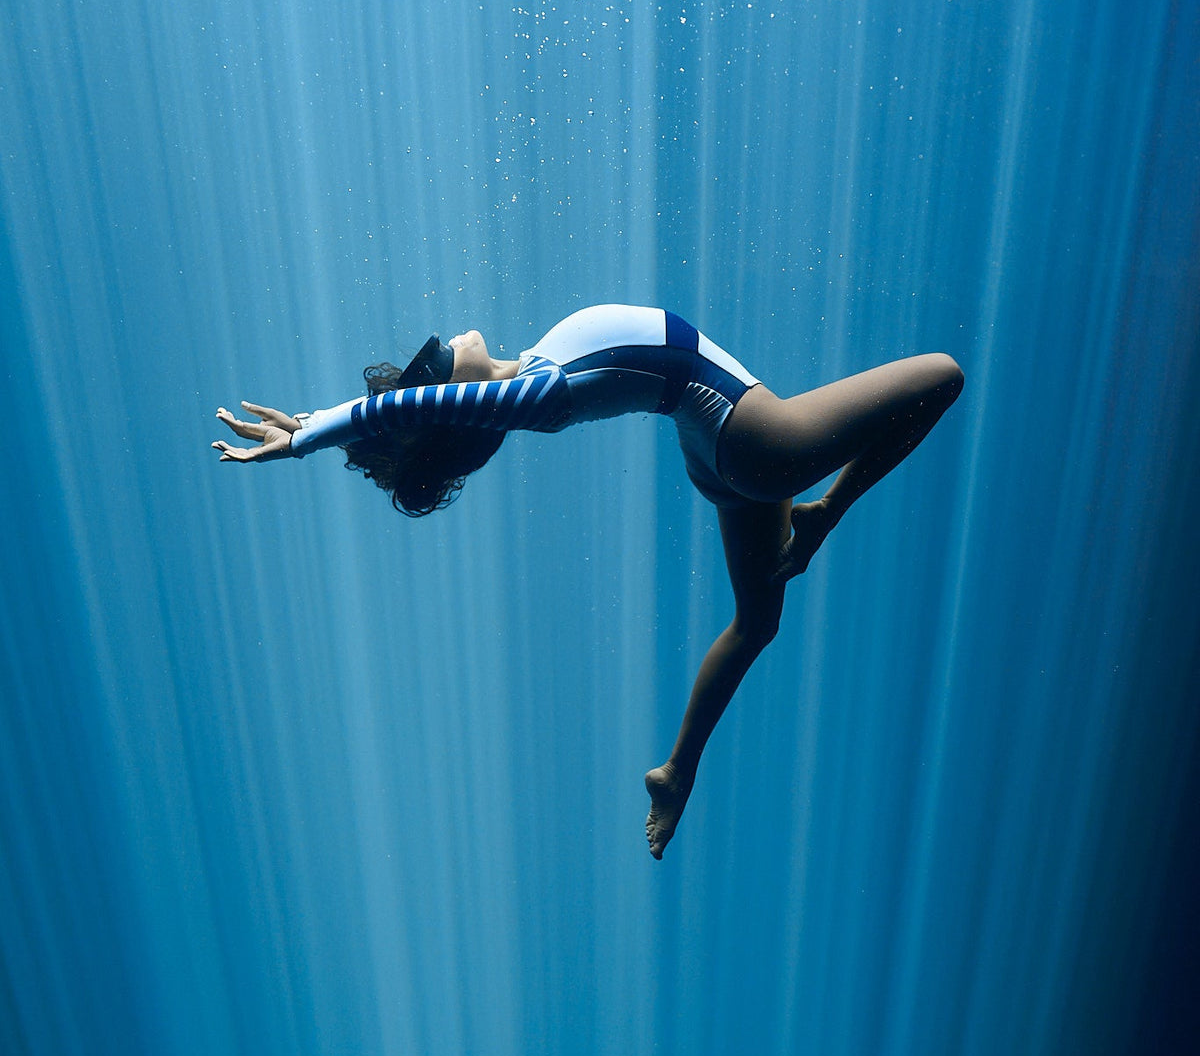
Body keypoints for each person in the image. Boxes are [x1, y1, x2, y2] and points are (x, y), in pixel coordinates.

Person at [213, 304, 963, 859]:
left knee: (757, 624)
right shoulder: (539, 400)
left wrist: (333, 421)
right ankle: (828, 508)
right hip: (757, 443)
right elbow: (421, 405)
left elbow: (416, 410)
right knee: (941, 376)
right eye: (437, 370)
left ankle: (675, 772)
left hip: (721, 454)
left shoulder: (533, 368)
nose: (441, 353)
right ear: (463, 415)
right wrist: (311, 436)